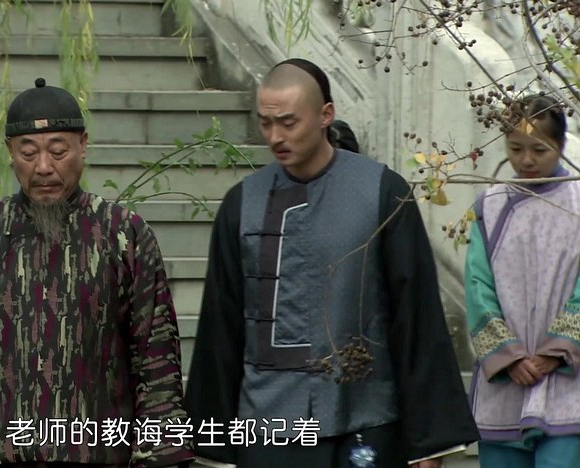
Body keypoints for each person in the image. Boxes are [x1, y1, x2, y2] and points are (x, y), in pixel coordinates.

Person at [183, 58, 479, 467]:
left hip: (366, 416)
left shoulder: (381, 191)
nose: (275, 136)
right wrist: (212, 441)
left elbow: (415, 314)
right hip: (267, 423)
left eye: (289, 122)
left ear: (326, 115)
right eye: (266, 123)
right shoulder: (243, 204)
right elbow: (222, 324)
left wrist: (429, 440)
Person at [0, 78, 195, 468]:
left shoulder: (123, 235)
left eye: (58, 151)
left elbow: (155, 362)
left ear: (83, 145)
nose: (44, 167)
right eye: (29, 153)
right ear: (10, 152)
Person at [466, 95, 580, 467]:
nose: (526, 160)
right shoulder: (490, 206)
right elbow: (478, 286)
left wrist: (557, 350)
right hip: (505, 381)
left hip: (569, 378)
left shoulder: (577, 202)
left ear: (561, 145)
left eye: (539, 150)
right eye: (516, 148)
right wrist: (509, 356)